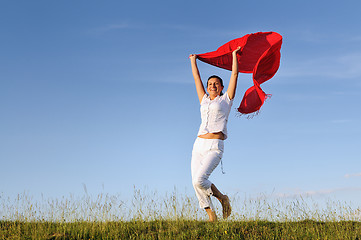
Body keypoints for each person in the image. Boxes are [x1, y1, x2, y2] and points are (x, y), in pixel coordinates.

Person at [189, 46, 241, 222]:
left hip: (214, 146)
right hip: (198, 145)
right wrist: (193, 61)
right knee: (195, 183)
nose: (212, 86)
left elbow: (234, 75)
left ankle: (222, 198)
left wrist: (234, 55)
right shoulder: (204, 99)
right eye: (210, 84)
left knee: (199, 180)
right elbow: (197, 78)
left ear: (221, 87)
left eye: (216, 84)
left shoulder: (226, 100)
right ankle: (211, 214)